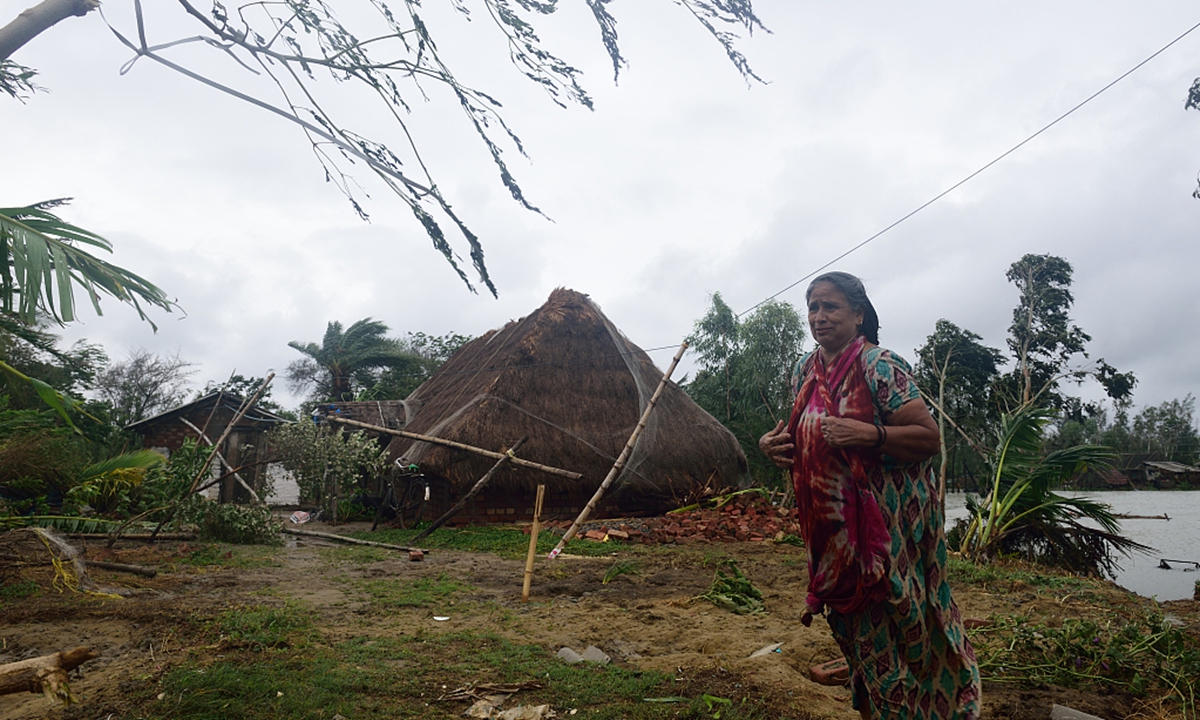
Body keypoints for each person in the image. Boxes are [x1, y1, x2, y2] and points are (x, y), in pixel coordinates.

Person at [759, 271, 980, 720]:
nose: (819, 317)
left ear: (858, 314)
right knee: (855, 635)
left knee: (898, 629)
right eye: (813, 307)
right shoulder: (807, 368)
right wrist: (775, 446)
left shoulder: (880, 366)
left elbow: (927, 437)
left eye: (831, 307)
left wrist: (869, 434)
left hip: (884, 535)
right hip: (832, 536)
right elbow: (803, 435)